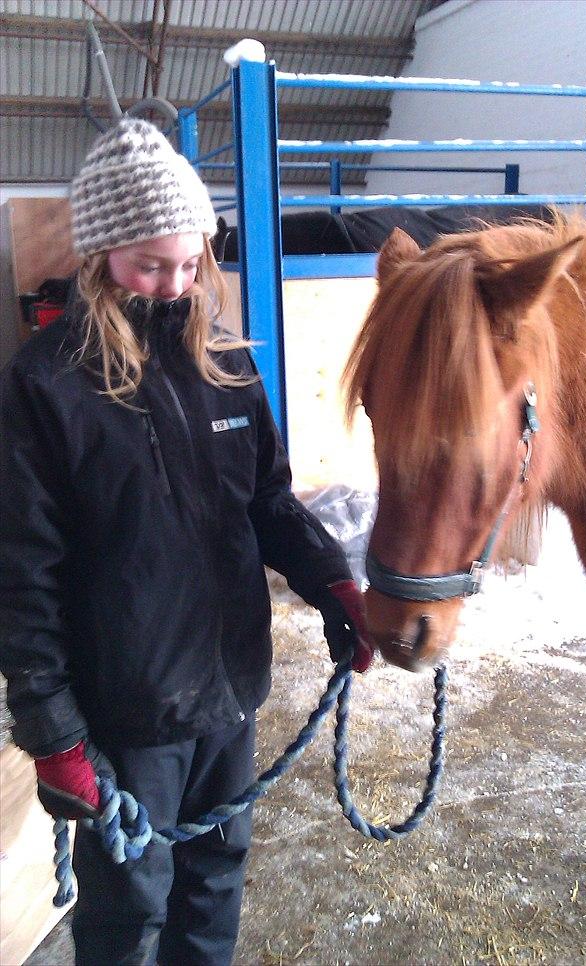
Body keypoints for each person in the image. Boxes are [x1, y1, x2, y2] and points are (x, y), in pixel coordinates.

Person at [0, 117, 373, 966]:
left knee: (216, 878)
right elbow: (24, 576)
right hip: (126, 710)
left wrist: (335, 585)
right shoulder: (46, 386)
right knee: (131, 905)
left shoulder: (229, 364)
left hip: (229, 689)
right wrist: (53, 733)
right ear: (101, 259)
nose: (173, 286)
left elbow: (270, 503)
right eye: (148, 265)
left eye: (189, 263)